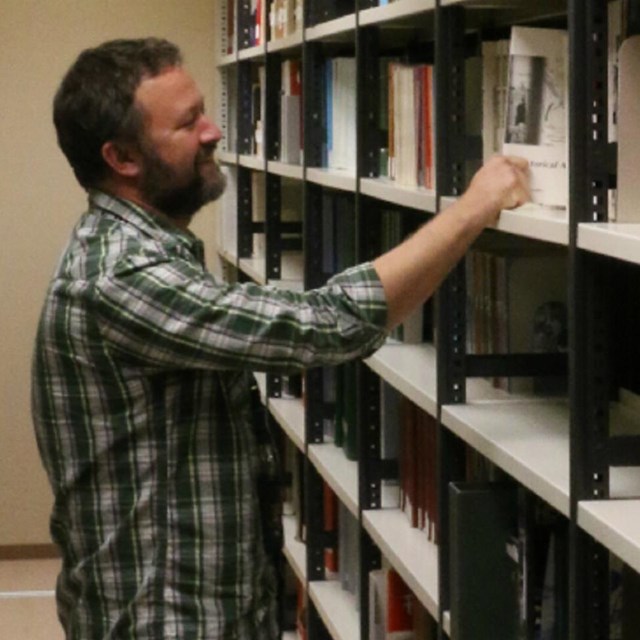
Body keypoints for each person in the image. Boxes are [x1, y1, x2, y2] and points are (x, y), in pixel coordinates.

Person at [31, 38, 529, 640]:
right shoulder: (123, 277)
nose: (215, 131)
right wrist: (472, 208)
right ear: (123, 157)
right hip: (162, 619)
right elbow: (331, 324)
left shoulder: (147, 252)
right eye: (188, 123)